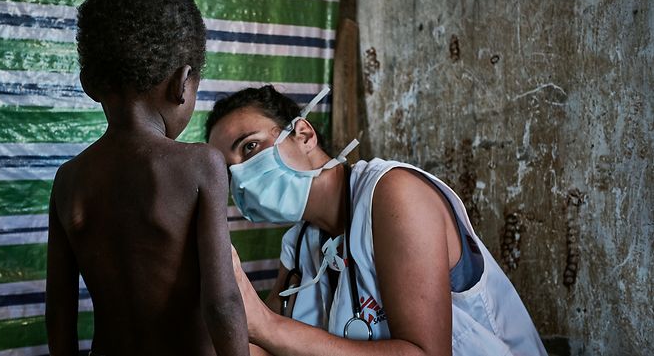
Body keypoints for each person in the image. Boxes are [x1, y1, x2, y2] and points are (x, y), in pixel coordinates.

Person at [206, 85, 546, 356]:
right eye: (226, 171)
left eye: (249, 148)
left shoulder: (393, 194)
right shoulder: (299, 246)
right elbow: (261, 347)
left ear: (304, 135)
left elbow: (426, 353)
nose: (241, 177)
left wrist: (266, 326)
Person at [45, 0, 248, 356]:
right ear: (183, 82)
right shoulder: (200, 164)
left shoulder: (68, 179)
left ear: (90, 83)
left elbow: (59, 312)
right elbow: (222, 302)